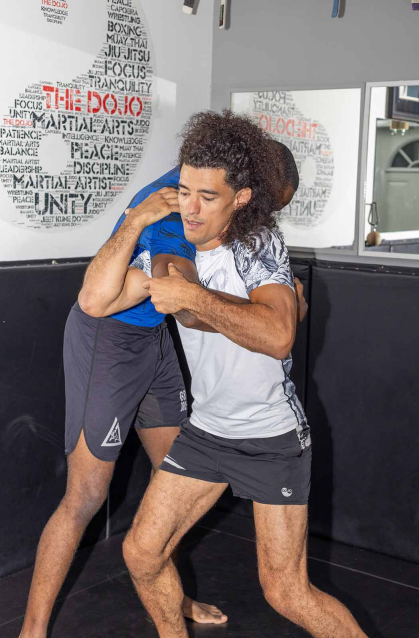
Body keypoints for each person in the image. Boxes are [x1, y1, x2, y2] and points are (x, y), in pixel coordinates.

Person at [120, 110, 369, 638]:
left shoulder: (258, 248)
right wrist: (184, 290)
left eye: (207, 197)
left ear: (241, 198)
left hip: (269, 437)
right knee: (142, 553)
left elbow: (278, 335)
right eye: (184, 190)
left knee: (285, 591)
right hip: (207, 432)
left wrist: (197, 298)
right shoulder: (176, 241)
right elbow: (179, 306)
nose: (190, 207)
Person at [19, 175, 228, 638]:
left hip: (153, 338)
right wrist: (268, 319)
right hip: (108, 343)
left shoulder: (217, 200)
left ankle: (171, 593)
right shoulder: (174, 209)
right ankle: (30, 631)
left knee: (174, 482)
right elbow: (185, 308)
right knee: (86, 497)